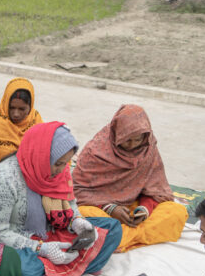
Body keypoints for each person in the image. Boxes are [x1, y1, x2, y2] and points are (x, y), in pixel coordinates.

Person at [0, 122, 122, 276]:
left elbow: (69, 202)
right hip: (23, 242)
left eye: (65, 163)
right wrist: (41, 248)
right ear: (41, 156)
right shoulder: (3, 179)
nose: (61, 170)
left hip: (56, 230)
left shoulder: (60, 170)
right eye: (57, 164)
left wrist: (77, 222)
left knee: (113, 230)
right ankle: (77, 267)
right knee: (25, 273)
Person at [74, 105, 188, 251]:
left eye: (137, 140)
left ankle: (118, 239)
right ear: (116, 134)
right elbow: (78, 192)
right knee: (84, 214)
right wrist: (110, 208)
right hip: (101, 209)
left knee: (176, 211)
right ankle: (130, 237)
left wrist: (144, 209)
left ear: (145, 137)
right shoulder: (96, 151)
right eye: (127, 140)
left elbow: (156, 190)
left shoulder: (148, 148)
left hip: (132, 207)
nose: (132, 145)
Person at [0, 78, 43, 164]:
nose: (16, 114)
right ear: (6, 104)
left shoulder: (35, 118)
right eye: (12, 108)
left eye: (22, 109)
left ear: (30, 107)